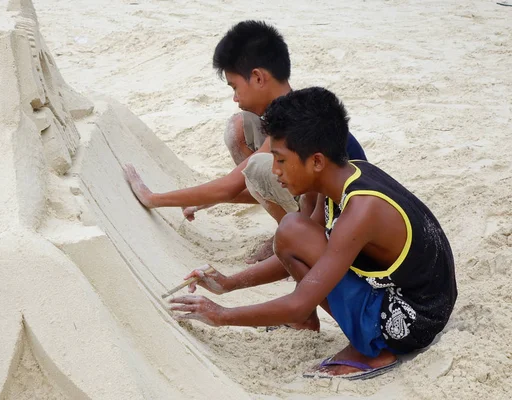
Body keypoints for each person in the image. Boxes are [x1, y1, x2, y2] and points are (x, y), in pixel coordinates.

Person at [169, 87, 457, 380]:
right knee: (293, 230)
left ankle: (374, 350)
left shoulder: (361, 211)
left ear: (316, 161)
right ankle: (346, 330)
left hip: (412, 320)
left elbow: (298, 304)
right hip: (410, 292)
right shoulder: (340, 178)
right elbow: (299, 250)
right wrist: (229, 284)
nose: (276, 171)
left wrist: (221, 315)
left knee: (292, 230)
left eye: (280, 160)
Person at [124, 21, 366, 264]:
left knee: (259, 167)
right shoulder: (295, 106)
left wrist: (153, 198)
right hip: (318, 194)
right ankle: (288, 227)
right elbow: (242, 185)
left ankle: (293, 239)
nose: (235, 97)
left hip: (339, 217)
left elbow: (234, 184)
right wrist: (201, 201)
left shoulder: (295, 127)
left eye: (235, 86)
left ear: (258, 77)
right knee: (240, 127)